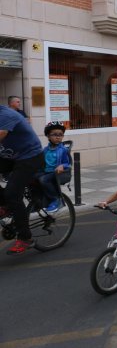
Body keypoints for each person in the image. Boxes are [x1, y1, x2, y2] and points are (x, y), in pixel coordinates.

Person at [0, 105, 45, 254]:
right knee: (8, 197)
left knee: (13, 194)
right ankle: (5, 205)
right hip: (10, 156)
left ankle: (26, 238)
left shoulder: (6, 115)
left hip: (30, 157)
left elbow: (1, 133)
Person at [38, 122, 71, 213]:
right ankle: (38, 202)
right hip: (46, 171)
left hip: (56, 173)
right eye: (54, 134)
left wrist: (62, 166)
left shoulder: (63, 150)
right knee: (32, 177)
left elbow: (68, 163)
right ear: (48, 136)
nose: (58, 137)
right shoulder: (45, 150)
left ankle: (55, 200)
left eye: (60, 135)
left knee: (43, 180)